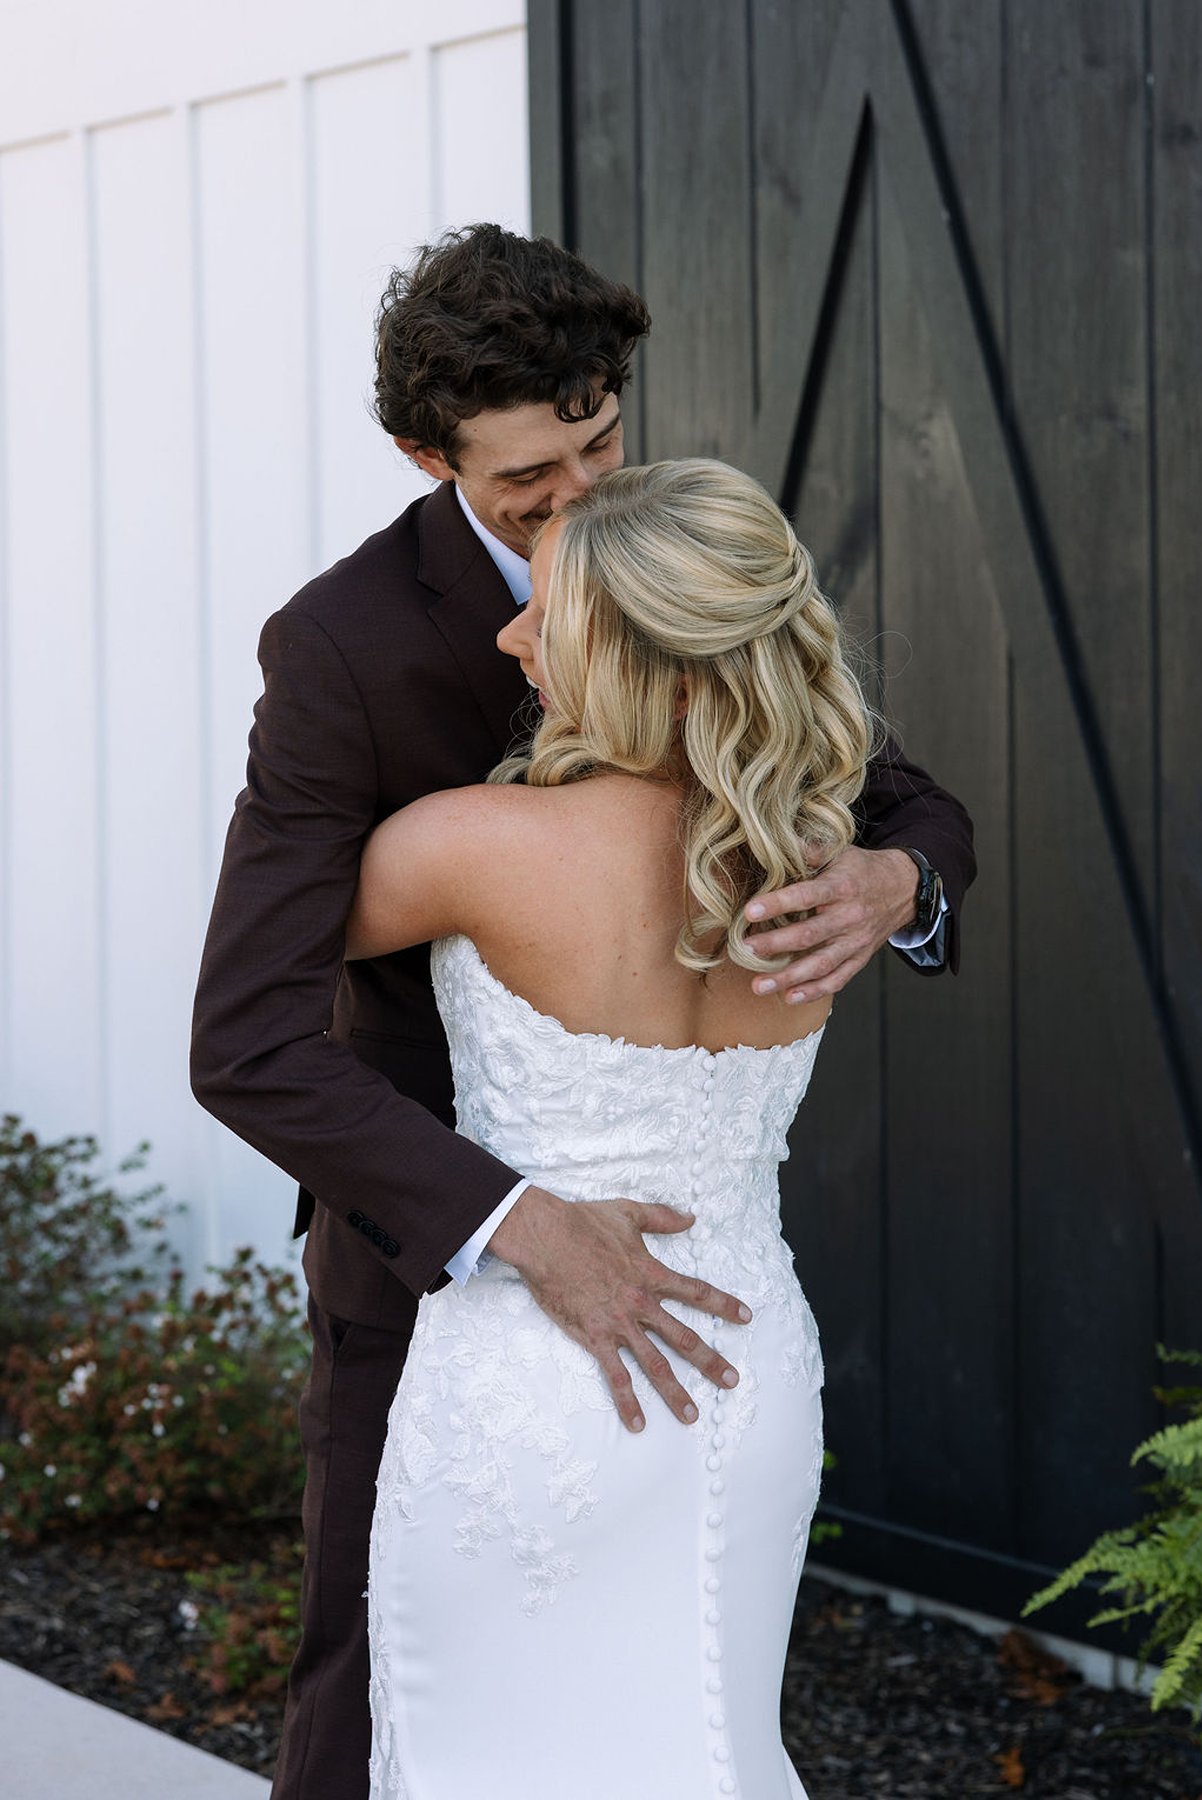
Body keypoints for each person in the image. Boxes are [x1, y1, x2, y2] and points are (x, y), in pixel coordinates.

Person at [190, 225, 975, 1800]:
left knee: (670, 1699)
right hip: (436, 1250)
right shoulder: (339, 648)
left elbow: (905, 801)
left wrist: (898, 881)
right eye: (523, 487)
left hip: (707, 1288)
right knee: (372, 1693)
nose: (574, 504)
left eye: (597, 443)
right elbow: (249, 1034)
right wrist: (517, 1222)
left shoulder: (673, 554)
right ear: (428, 457)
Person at [349, 457, 877, 1797]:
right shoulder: (825, 865)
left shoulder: (461, 845)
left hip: (530, 1381)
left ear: (659, 663)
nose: (509, 631)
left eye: (553, 615)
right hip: (743, 1368)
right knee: (708, 1743)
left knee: (491, 1760)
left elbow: (266, 962)